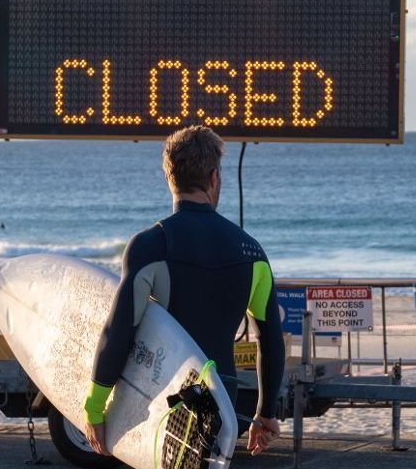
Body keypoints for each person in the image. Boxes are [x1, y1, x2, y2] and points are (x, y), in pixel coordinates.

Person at [82, 125, 285, 457]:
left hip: (165, 395)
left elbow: (119, 329)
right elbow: (270, 339)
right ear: (215, 178)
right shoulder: (252, 252)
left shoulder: (151, 245)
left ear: (168, 177)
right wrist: (266, 413)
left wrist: (94, 408)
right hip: (224, 398)